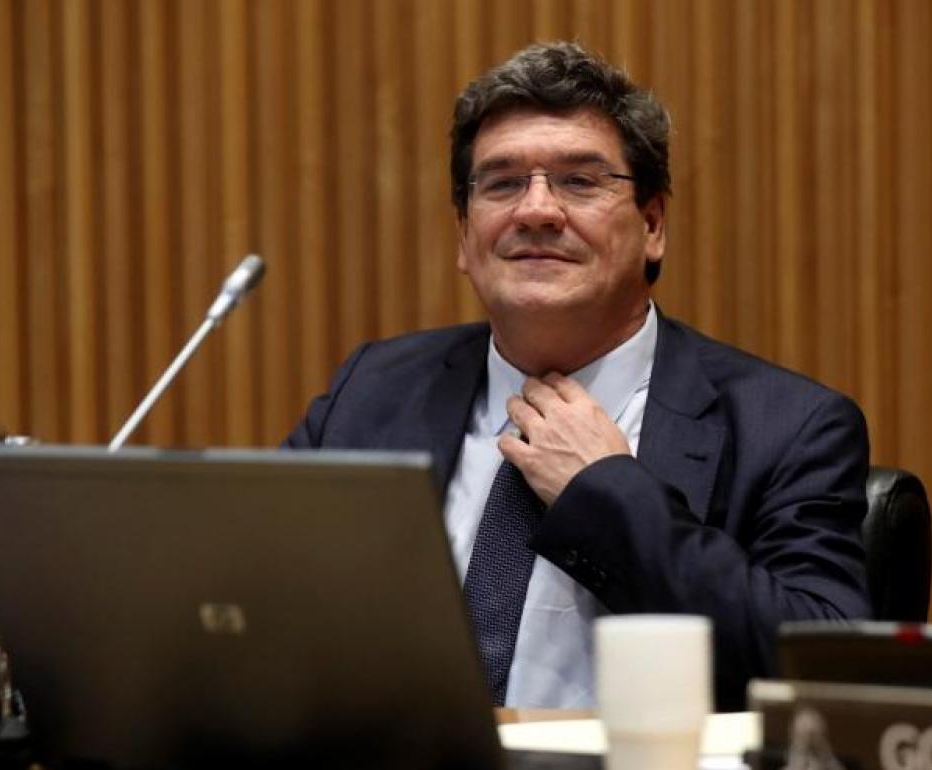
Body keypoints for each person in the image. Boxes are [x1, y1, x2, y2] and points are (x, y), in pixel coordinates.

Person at [285, 41, 870, 711]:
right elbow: (257, 601)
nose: (536, 210)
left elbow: (823, 670)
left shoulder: (788, 427)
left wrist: (606, 494)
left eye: (580, 182)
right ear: (464, 234)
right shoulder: (373, 390)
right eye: (502, 183)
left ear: (652, 224)